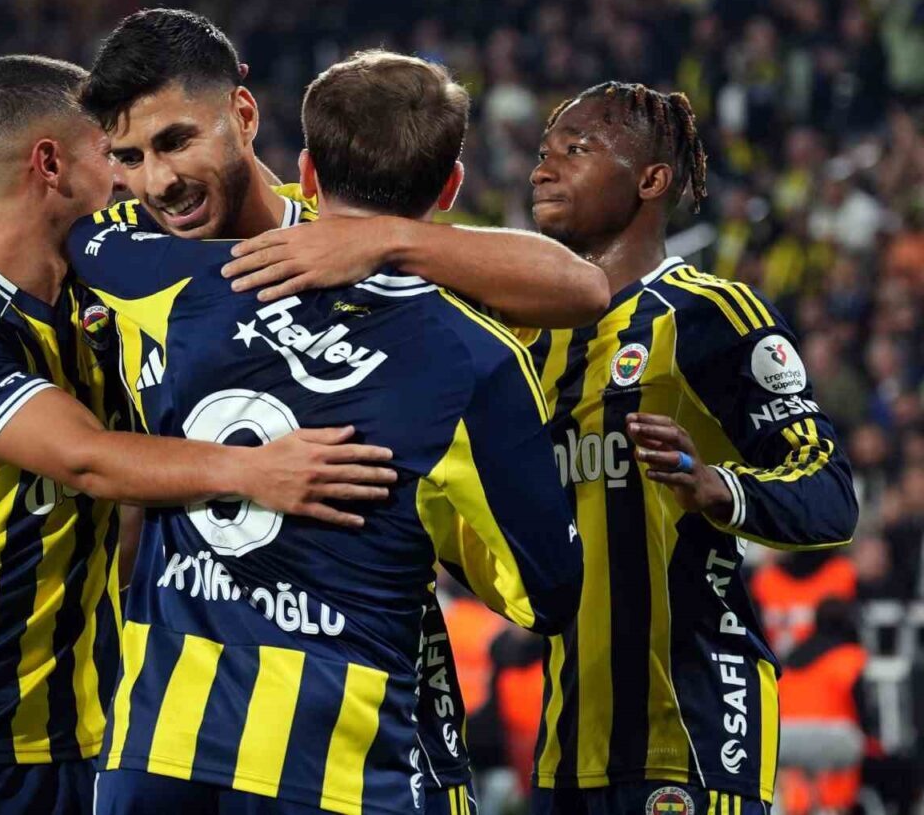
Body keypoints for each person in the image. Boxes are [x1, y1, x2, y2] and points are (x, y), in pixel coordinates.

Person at [229, 81, 860, 814]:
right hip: (564, 740)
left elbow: (829, 491)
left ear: (651, 179)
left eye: (576, 150)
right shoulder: (521, 341)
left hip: (692, 731)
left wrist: (718, 487)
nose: (542, 169)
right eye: (543, 151)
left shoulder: (707, 313)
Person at [81, 7, 609, 814]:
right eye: (128, 158)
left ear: (250, 120)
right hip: (223, 726)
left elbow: (580, 286)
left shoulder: (149, 273)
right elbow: (544, 588)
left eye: (176, 142)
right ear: (449, 188)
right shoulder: (463, 352)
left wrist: (385, 242)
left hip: (269, 728)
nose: (155, 182)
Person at [0, 55, 397, 815]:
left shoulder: (103, 298)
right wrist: (253, 471)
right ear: (51, 164)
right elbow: (88, 461)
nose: (132, 178)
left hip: (92, 731)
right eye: (112, 154)